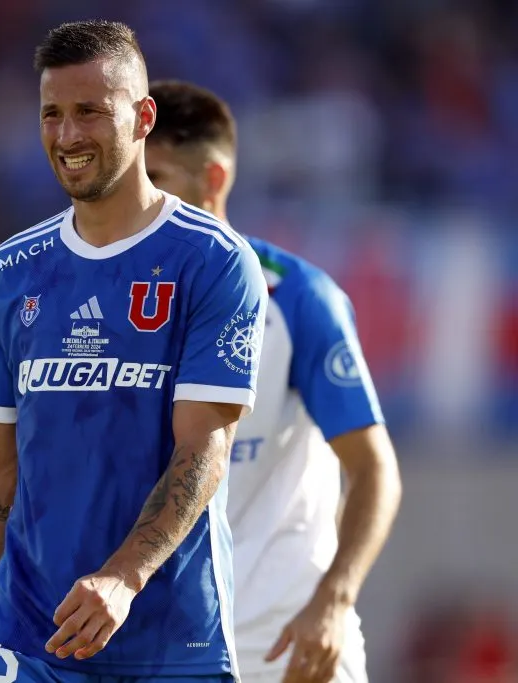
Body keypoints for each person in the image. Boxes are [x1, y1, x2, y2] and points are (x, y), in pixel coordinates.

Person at [0, 20, 268, 683]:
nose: (67, 137)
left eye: (88, 112)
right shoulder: (10, 272)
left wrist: (123, 578)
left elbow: (203, 448)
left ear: (144, 117)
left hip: (172, 644)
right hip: (29, 641)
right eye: (52, 114)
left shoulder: (211, 261)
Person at [144, 79, 403, 683]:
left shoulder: (298, 299)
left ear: (213, 181)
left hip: (288, 650)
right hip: (161, 658)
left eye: (157, 181)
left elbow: (374, 469)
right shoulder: (110, 309)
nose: (141, 203)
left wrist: (334, 602)